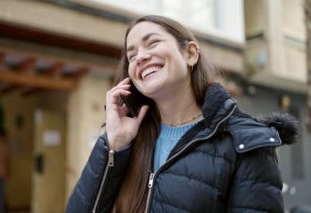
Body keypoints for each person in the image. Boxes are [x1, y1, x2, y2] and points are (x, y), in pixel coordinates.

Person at [67, 15, 298, 212]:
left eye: (153, 43)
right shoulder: (128, 140)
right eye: (132, 55)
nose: (141, 57)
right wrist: (114, 146)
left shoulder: (246, 142)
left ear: (190, 54)